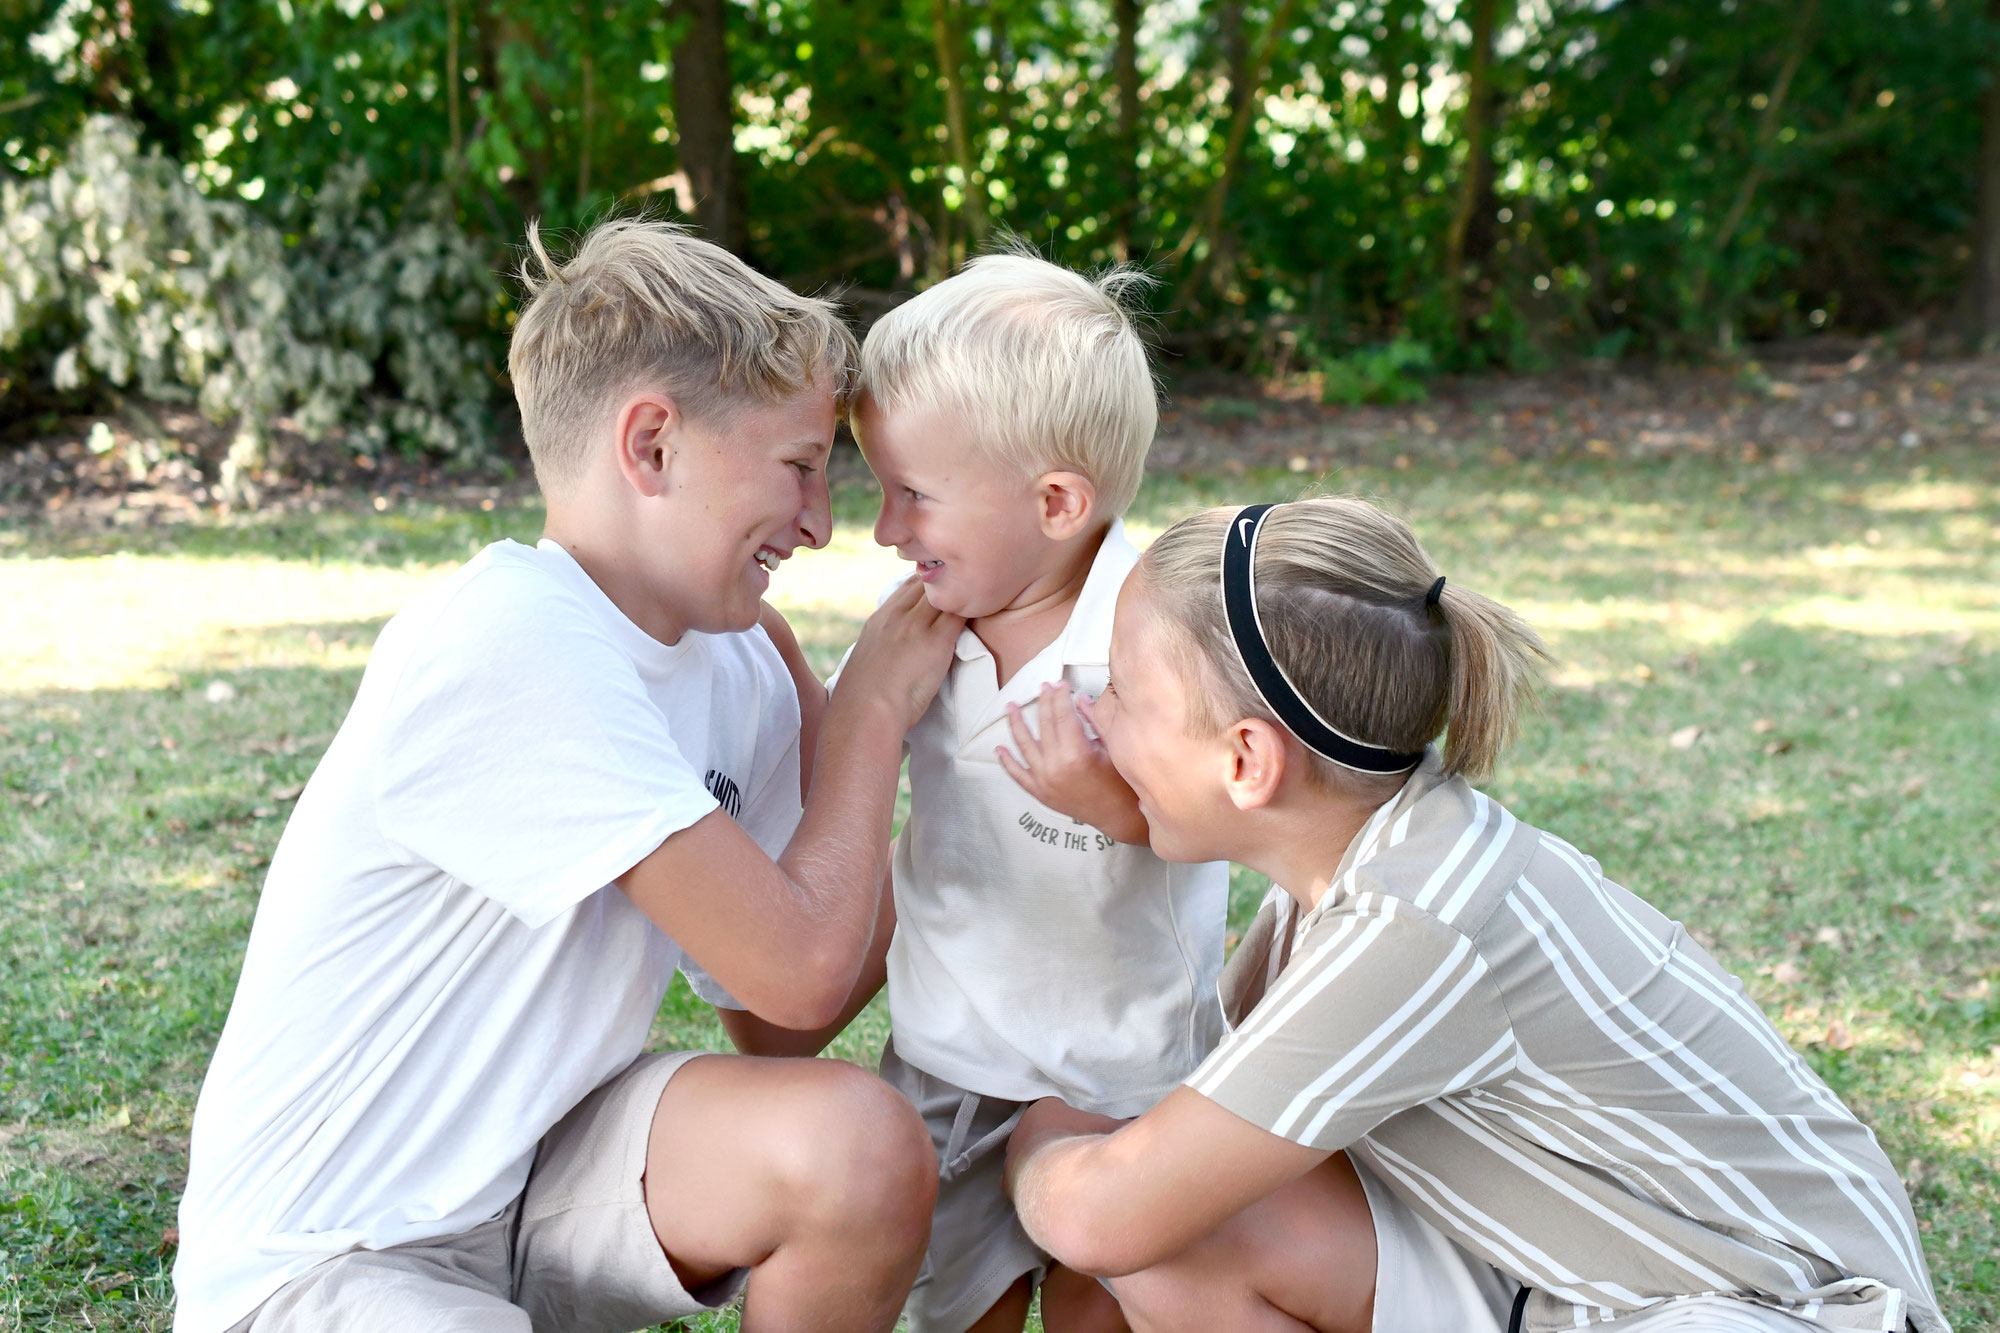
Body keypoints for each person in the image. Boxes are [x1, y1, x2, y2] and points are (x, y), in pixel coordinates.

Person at [170, 218, 964, 1333]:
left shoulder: (737, 660)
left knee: (858, 1146)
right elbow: (795, 972)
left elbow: (784, 1024)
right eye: (796, 467)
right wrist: (869, 718)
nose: (822, 522)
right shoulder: (511, 635)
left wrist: (948, 788)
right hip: (325, 1262)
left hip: (533, 1184)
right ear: (650, 446)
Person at [1000, 496, 1949, 1333]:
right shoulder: (1354, 868)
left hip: (1775, 1305)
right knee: (1178, 1245)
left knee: (1127, 1219)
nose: (1093, 712)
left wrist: (1037, 1135)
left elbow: (1102, 1213)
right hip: (1555, 1285)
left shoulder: (1416, 925)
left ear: (1248, 762)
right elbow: (1181, 1164)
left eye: (1121, 690)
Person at [736, 251, 1229, 1333]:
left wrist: (1112, 800)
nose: (883, 529)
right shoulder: (922, 628)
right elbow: (840, 769)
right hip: (953, 1052)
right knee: (959, 1296)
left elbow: (1234, 818)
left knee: (1112, 1297)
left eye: (912, 496)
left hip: (1126, 1064)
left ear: (1055, 502)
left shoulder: (1154, 637)